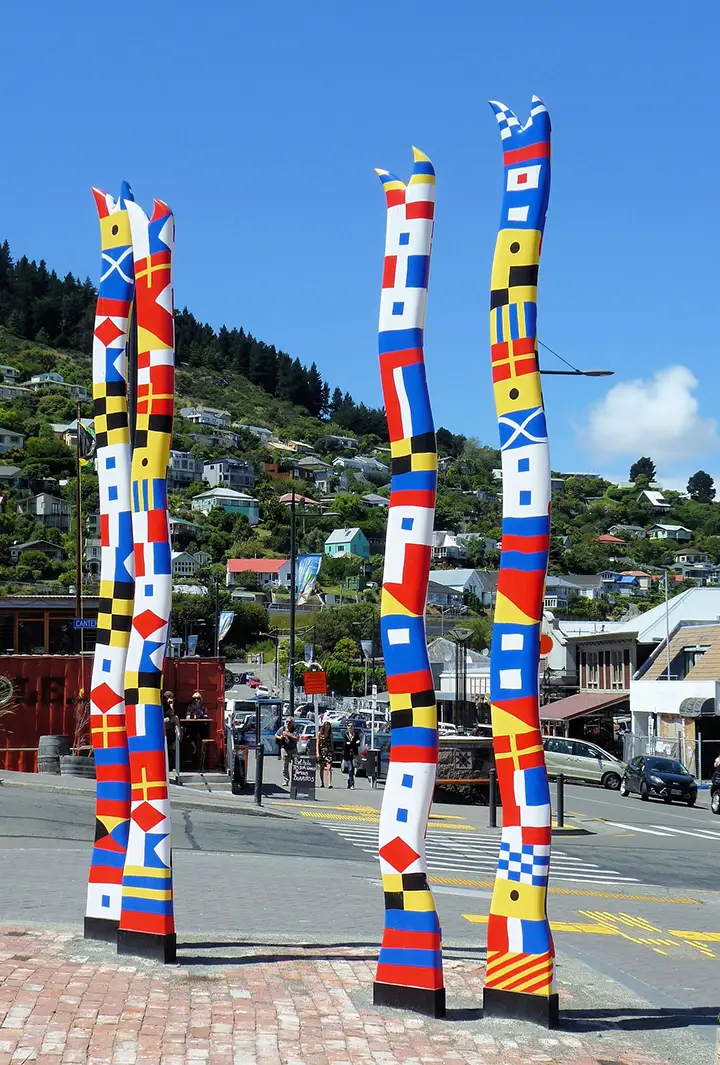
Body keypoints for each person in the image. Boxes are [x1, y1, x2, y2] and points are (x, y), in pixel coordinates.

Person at [275, 717, 298, 786]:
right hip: (284, 749)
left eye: (289, 722)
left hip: (293, 749)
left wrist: (288, 734)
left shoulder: (295, 729)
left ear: (292, 723)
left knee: (295, 765)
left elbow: (296, 738)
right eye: (287, 722)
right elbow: (276, 735)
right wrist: (280, 737)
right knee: (285, 766)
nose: (288, 723)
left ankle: (296, 780)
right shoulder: (282, 728)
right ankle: (286, 780)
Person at [163, 692, 180, 772]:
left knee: (172, 746)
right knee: (176, 718)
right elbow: (171, 713)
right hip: (161, 722)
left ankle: (172, 765)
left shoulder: (168, 703)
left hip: (168, 726)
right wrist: (171, 704)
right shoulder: (164, 704)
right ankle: (179, 734)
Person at [342, 721, 361, 790]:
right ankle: (352, 784)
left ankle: (349, 781)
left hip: (354, 754)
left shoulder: (356, 734)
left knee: (353, 768)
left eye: (352, 726)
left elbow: (358, 744)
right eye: (349, 726)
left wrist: (350, 743)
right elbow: (345, 745)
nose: (351, 727)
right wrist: (353, 743)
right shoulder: (346, 734)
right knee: (350, 768)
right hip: (347, 754)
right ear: (347, 727)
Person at [316, 720, 334, 788]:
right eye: (326, 726)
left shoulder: (330, 734)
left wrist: (333, 752)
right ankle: (322, 782)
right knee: (322, 768)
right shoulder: (320, 733)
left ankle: (329, 783)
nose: (327, 728)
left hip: (328, 751)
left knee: (329, 767)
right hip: (321, 751)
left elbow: (332, 743)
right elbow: (317, 744)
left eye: (328, 727)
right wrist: (317, 753)